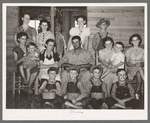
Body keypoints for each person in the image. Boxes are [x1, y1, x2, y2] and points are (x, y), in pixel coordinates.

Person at [125, 34, 144, 100]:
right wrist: (134, 65)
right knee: (138, 68)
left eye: (137, 40)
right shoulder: (128, 51)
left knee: (139, 71)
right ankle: (145, 81)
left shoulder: (143, 51)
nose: (135, 41)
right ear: (131, 42)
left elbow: (145, 62)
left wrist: (139, 64)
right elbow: (127, 62)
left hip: (141, 68)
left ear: (139, 41)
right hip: (131, 68)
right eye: (133, 40)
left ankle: (137, 92)